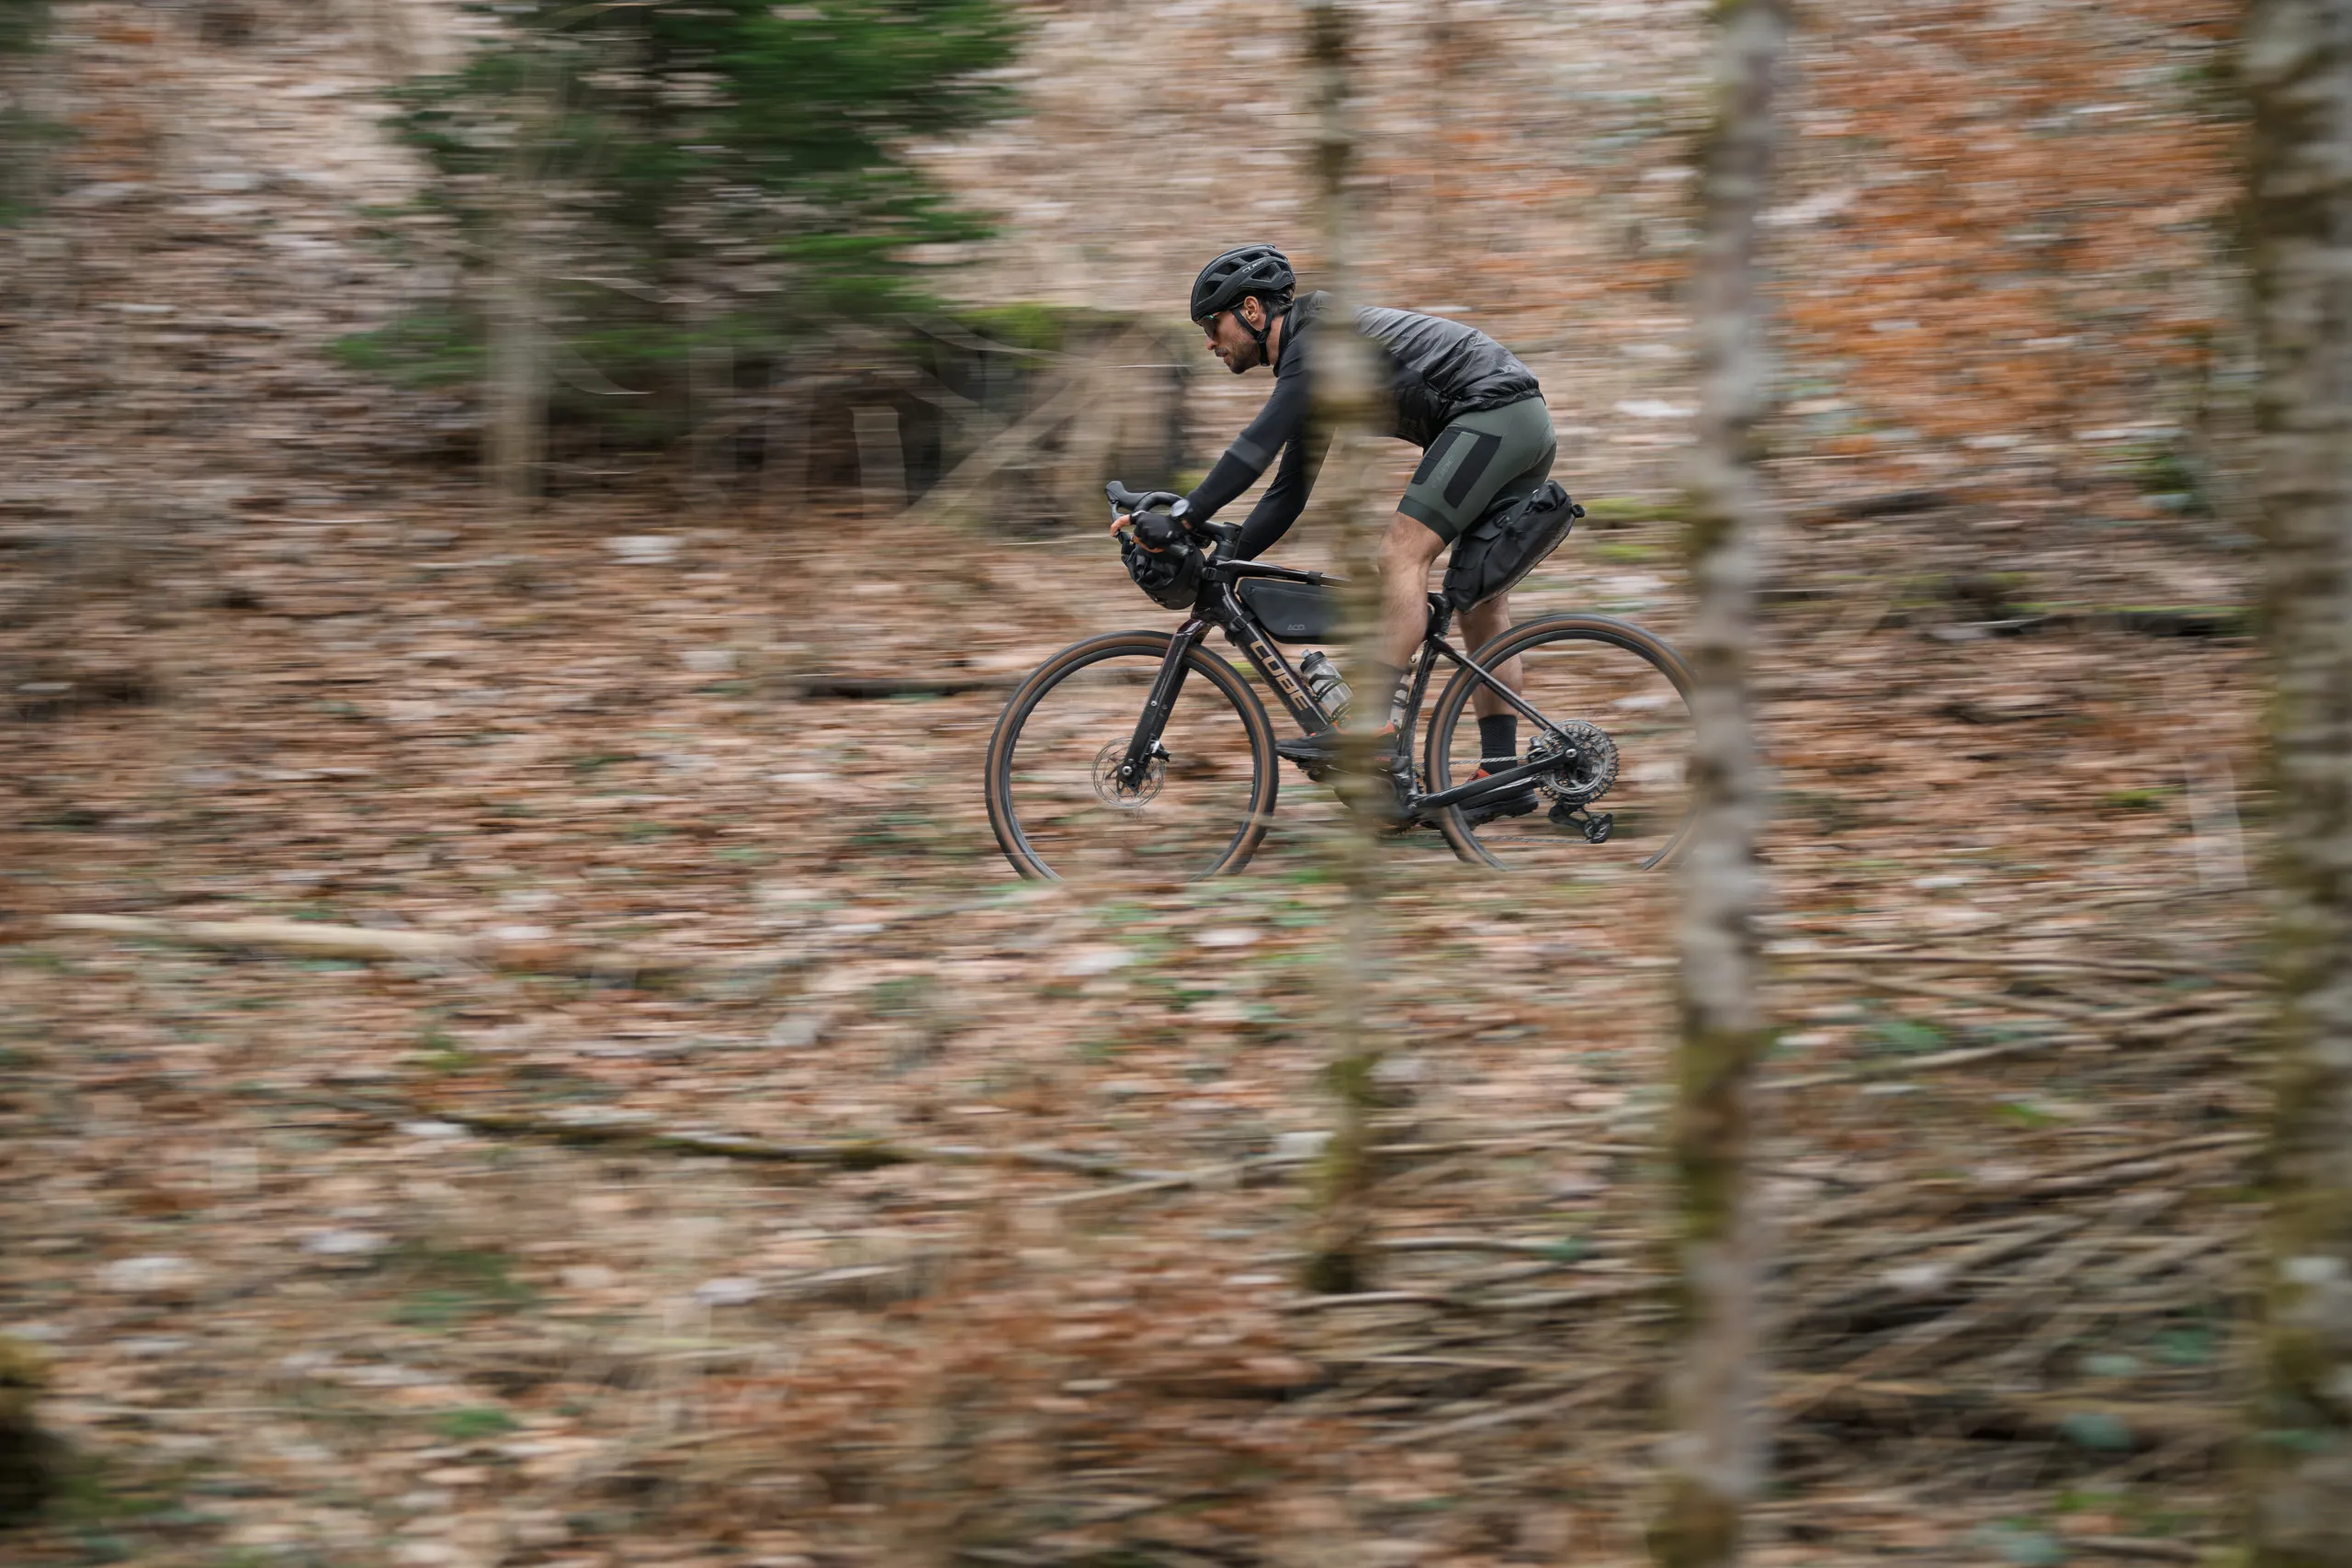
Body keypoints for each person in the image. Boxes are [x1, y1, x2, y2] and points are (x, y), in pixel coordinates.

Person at [1124, 243, 1557, 821]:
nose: (1209, 340)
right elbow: (1287, 494)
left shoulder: (1317, 341)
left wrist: (1184, 516)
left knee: (1400, 556)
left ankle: (1371, 726)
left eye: (1212, 323)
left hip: (1495, 413)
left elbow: (1254, 446)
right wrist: (1223, 560)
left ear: (1252, 310)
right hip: (1515, 422)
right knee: (1478, 605)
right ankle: (1503, 774)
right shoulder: (1313, 365)